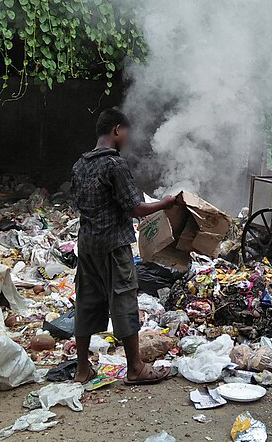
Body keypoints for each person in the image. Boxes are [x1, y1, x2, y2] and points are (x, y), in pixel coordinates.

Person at [70, 107, 176, 385]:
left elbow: (80, 204)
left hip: (88, 245)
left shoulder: (80, 165)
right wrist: (165, 203)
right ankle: (135, 368)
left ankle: (82, 369)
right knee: (124, 299)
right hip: (114, 245)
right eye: (126, 133)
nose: (126, 138)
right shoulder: (114, 164)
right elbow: (135, 207)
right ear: (117, 130)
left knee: (87, 301)